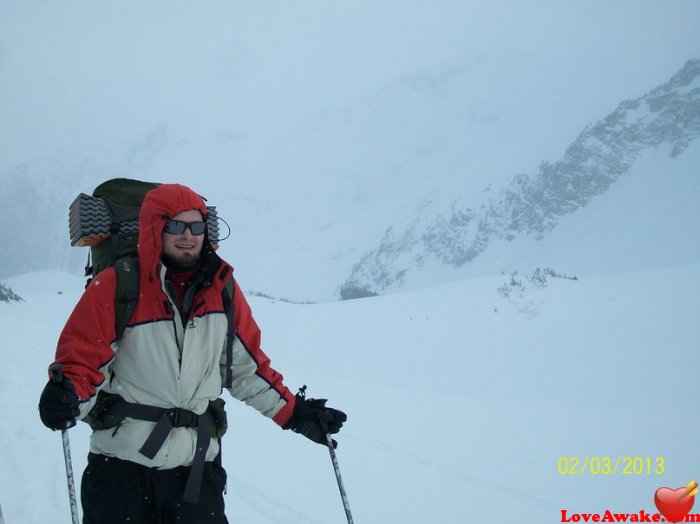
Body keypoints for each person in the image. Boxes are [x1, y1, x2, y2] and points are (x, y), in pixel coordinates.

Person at [38, 183, 346, 523]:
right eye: (175, 225)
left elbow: (246, 368)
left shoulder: (222, 288)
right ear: (156, 227)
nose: (188, 236)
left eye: (196, 226)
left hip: (195, 475)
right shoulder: (117, 285)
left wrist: (296, 414)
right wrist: (67, 396)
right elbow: (82, 362)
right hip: (120, 472)